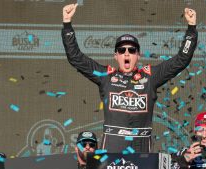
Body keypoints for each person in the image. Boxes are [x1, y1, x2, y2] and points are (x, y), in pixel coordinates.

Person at [62, 3, 198, 153]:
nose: (126, 53)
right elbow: (76, 58)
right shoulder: (106, 77)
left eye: (132, 50)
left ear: (138, 55)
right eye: (122, 50)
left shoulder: (150, 76)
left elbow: (181, 60)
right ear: (116, 56)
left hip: (141, 144)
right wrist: (67, 25)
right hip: (113, 143)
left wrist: (191, 28)